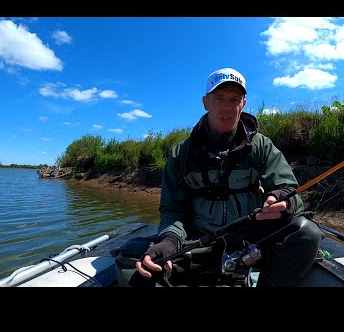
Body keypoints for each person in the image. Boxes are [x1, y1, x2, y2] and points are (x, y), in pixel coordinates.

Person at [114, 67, 324, 287]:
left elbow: (288, 187)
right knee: (132, 257)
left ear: (243, 104)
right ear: (206, 102)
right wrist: (170, 240)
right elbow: (173, 209)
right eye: (219, 98)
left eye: (234, 99)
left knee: (306, 233)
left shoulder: (261, 145)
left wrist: (283, 200)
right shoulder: (180, 155)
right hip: (199, 241)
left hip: (254, 239)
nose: (227, 106)